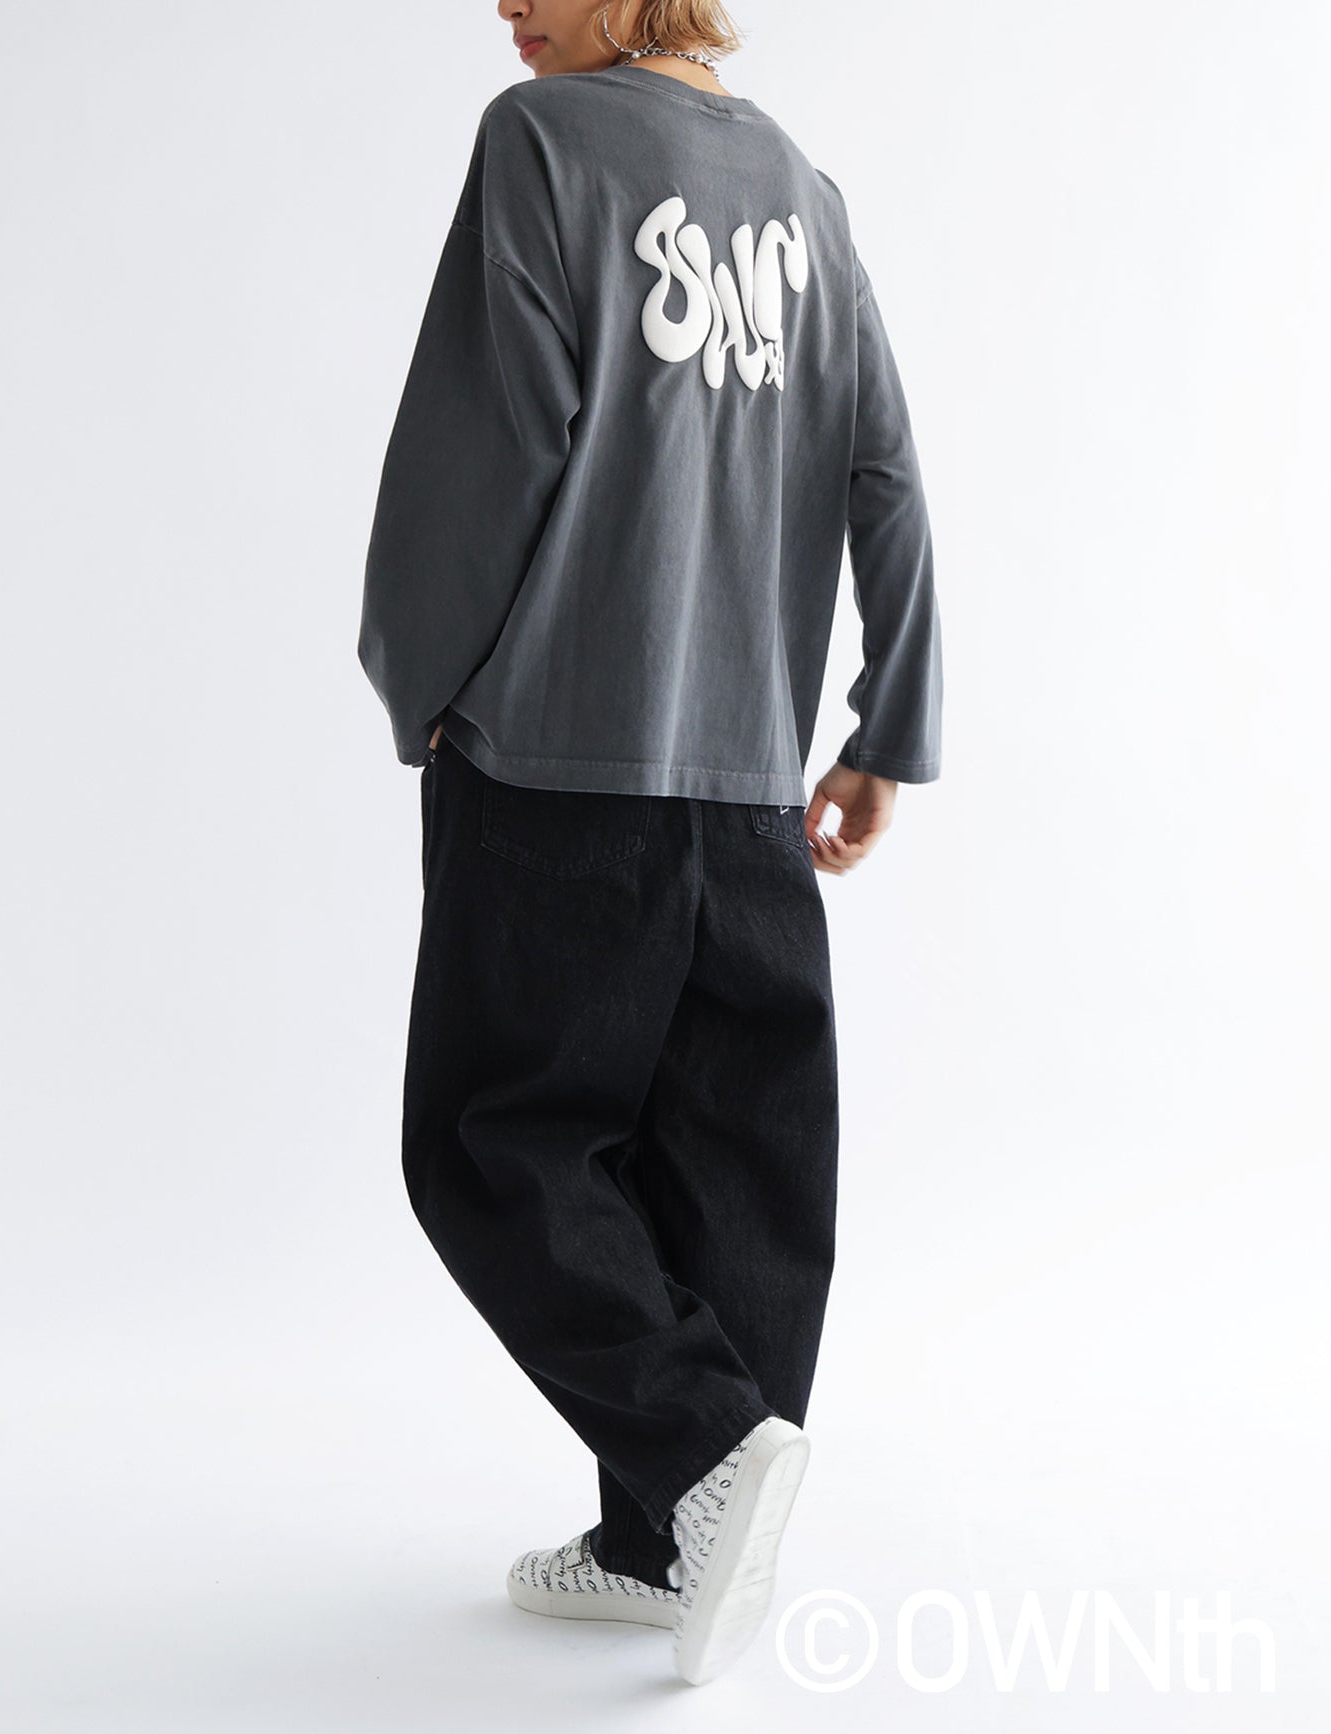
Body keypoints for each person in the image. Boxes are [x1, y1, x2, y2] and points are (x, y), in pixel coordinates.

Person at [356, 0, 942, 1686]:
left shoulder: (541, 144)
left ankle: (700, 1451)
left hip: (555, 762)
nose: (502, 4)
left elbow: (479, 454)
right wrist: (884, 728)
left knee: (492, 1143)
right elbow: (885, 470)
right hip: (748, 787)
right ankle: (657, 1542)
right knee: (733, 1165)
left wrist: (417, 681)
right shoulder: (803, 193)